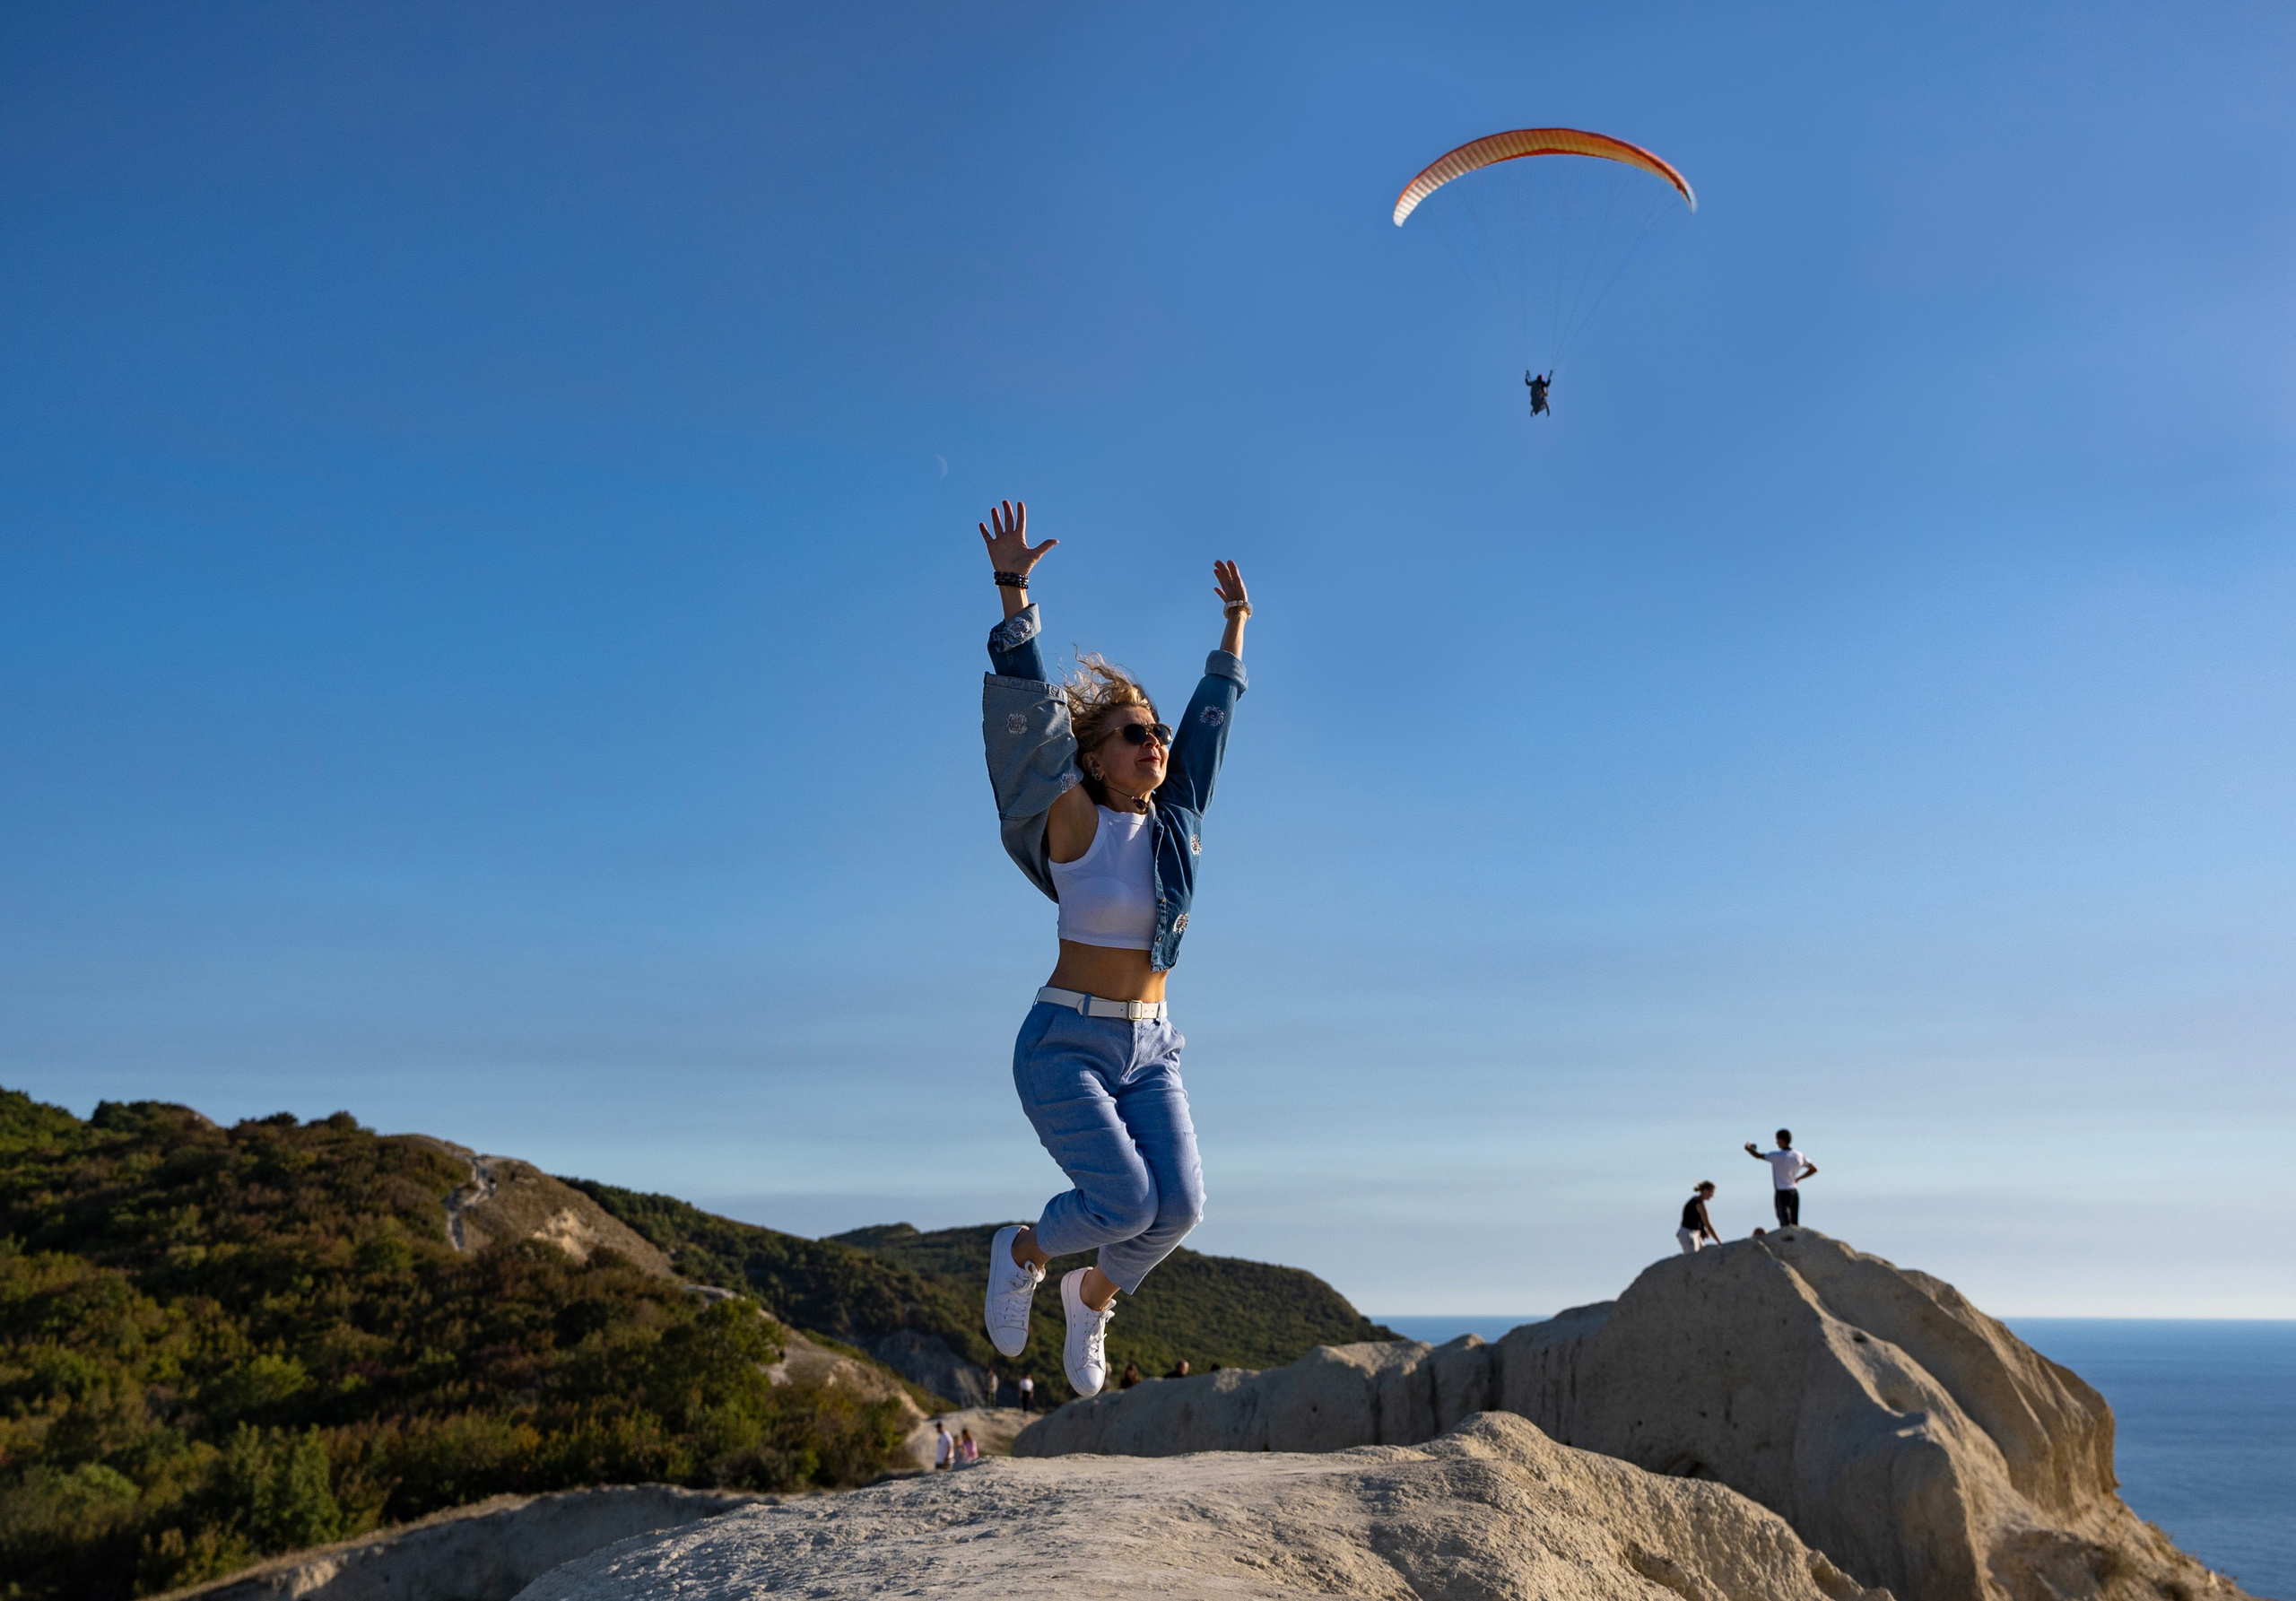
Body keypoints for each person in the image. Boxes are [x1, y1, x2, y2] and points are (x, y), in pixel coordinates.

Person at [976, 500, 1252, 1402]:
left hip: (1150, 1046)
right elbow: (1031, 723)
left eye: (1157, 732)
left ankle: (1089, 1297)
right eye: (1133, 732)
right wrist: (1014, 592)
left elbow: (1208, 729)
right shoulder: (1074, 818)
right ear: (1093, 757)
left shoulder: (1175, 825)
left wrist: (1233, 631)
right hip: (1065, 1043)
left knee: (1180, 1207)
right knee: (1126, 1203)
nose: (1154, 742)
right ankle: (1022, 1250)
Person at [1745, 1130, 1817, 1228]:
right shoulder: (1798, 1155)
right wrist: (1799, 1178)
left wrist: (1749, 1149)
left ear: (1781, 1140)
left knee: (1784, 1223)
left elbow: (1758, 1156)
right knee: (1795, 1223)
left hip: (1782, 1192)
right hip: (1794, 1191)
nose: (1776, 1142)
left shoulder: (1777, 1155)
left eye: (1777, 1140)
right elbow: (1813, 1169)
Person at [1677, 1180, 1719, 1255]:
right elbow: (1708, 1225)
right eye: (1711, 1192)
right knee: (1692, 1257)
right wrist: (1719, 1242)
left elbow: (1698, 1220)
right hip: (1688, 1234)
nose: (1712, 1195)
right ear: (1705, 1191)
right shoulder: (1698, 1204)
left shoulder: (1697, 1200)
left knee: (1703, 1254)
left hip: (1695, 1233)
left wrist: (1702, 1230)